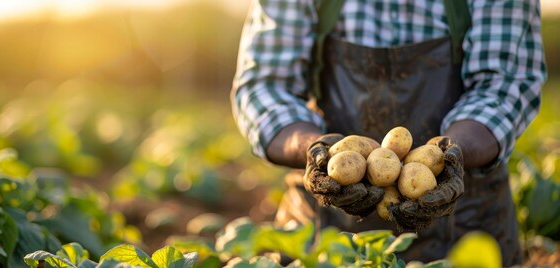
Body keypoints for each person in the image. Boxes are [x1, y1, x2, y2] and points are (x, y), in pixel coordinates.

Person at [230, 0, 546, 266]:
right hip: (324, 232)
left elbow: (507, 82)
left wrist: (454, 153)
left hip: (466, 225)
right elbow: (265, 86)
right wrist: (314, 150)